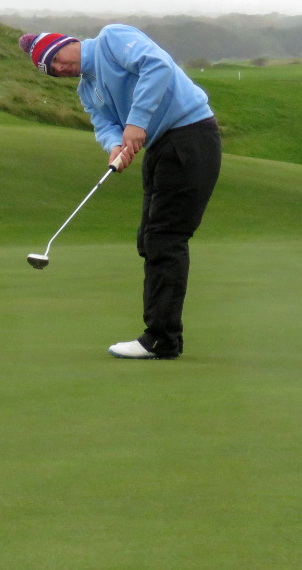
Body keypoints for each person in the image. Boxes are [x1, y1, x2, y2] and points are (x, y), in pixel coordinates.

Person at [19, 26, 222, 360]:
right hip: (161, 147)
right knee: (148, 239)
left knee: (164, 238)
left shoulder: (112, 40)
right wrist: (115, 145)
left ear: (67, 43)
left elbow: (157, 65)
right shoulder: (87, 89)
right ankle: (161, 332)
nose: (57, 68)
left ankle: (161, 339)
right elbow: (104, 124)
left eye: (54, 59)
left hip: (190, 136)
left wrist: (137, 121)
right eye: (50, 70)